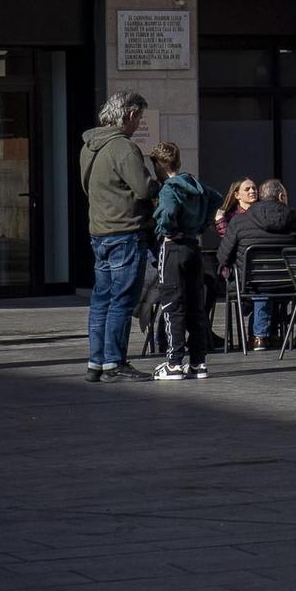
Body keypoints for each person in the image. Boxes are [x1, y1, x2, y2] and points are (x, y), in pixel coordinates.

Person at [81, 91, 155, 383]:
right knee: (122, 300)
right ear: (129, 115)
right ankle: (114, 363)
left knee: (101, 300)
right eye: (138, 117)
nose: (138, 124)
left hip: (100, 232)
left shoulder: (89, 146)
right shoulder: (123, 147)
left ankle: (96, 362)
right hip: (125, 232)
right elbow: (143, 189)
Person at [147, 142, 219, 381]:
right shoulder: (194, 185)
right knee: (195, 307)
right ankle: (198, 362)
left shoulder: (168, 188)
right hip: (193, 246)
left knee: (173, 306)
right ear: (178, 161)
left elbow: (167, 213)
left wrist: (165, 229)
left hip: (173, 247)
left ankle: (174, 362)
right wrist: (200, 225)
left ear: (158, 165)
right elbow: (216, 199)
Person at [217, 178, 296, 348]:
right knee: (268, 283)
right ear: (281, 196)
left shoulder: (239, 221)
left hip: (250, 283)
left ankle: (259, 337)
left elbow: (223, 257)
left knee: (261, 285)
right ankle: (269, 334)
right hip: (289, 283)